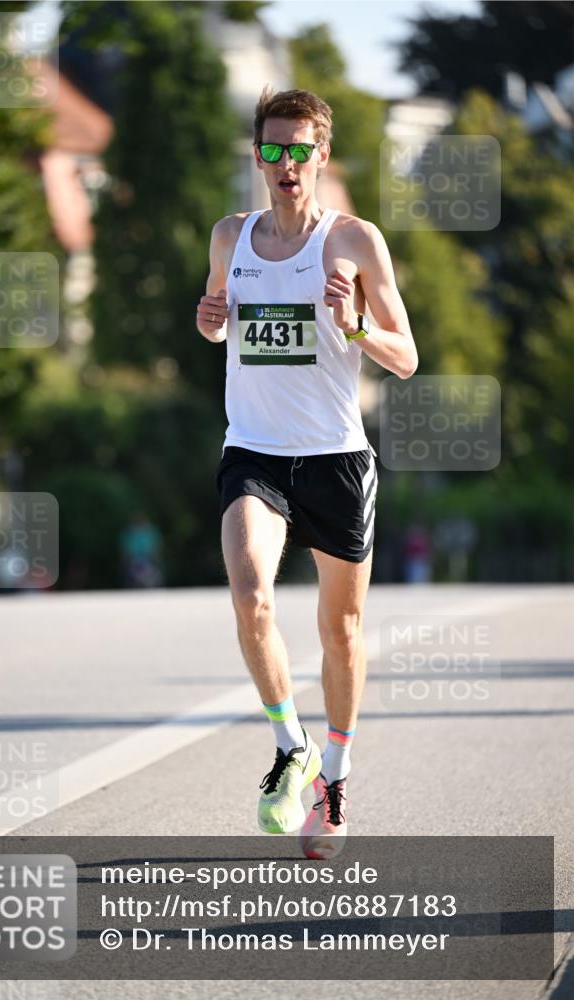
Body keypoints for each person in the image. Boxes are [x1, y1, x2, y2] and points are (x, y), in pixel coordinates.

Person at [196, 88, 417, 859]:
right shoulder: (230, 235)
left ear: (321, 155)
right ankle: (289, 745)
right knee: (250, 595)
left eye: (298, 149)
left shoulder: (353, 241)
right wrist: (209, 320)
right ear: (257, 155)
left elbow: (405, 356)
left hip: (335, 459)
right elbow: (216, 315)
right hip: (253, 452)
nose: (284, 163)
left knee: (340, 631)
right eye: (271, 149)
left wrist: (354, 326)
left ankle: (335, 779)